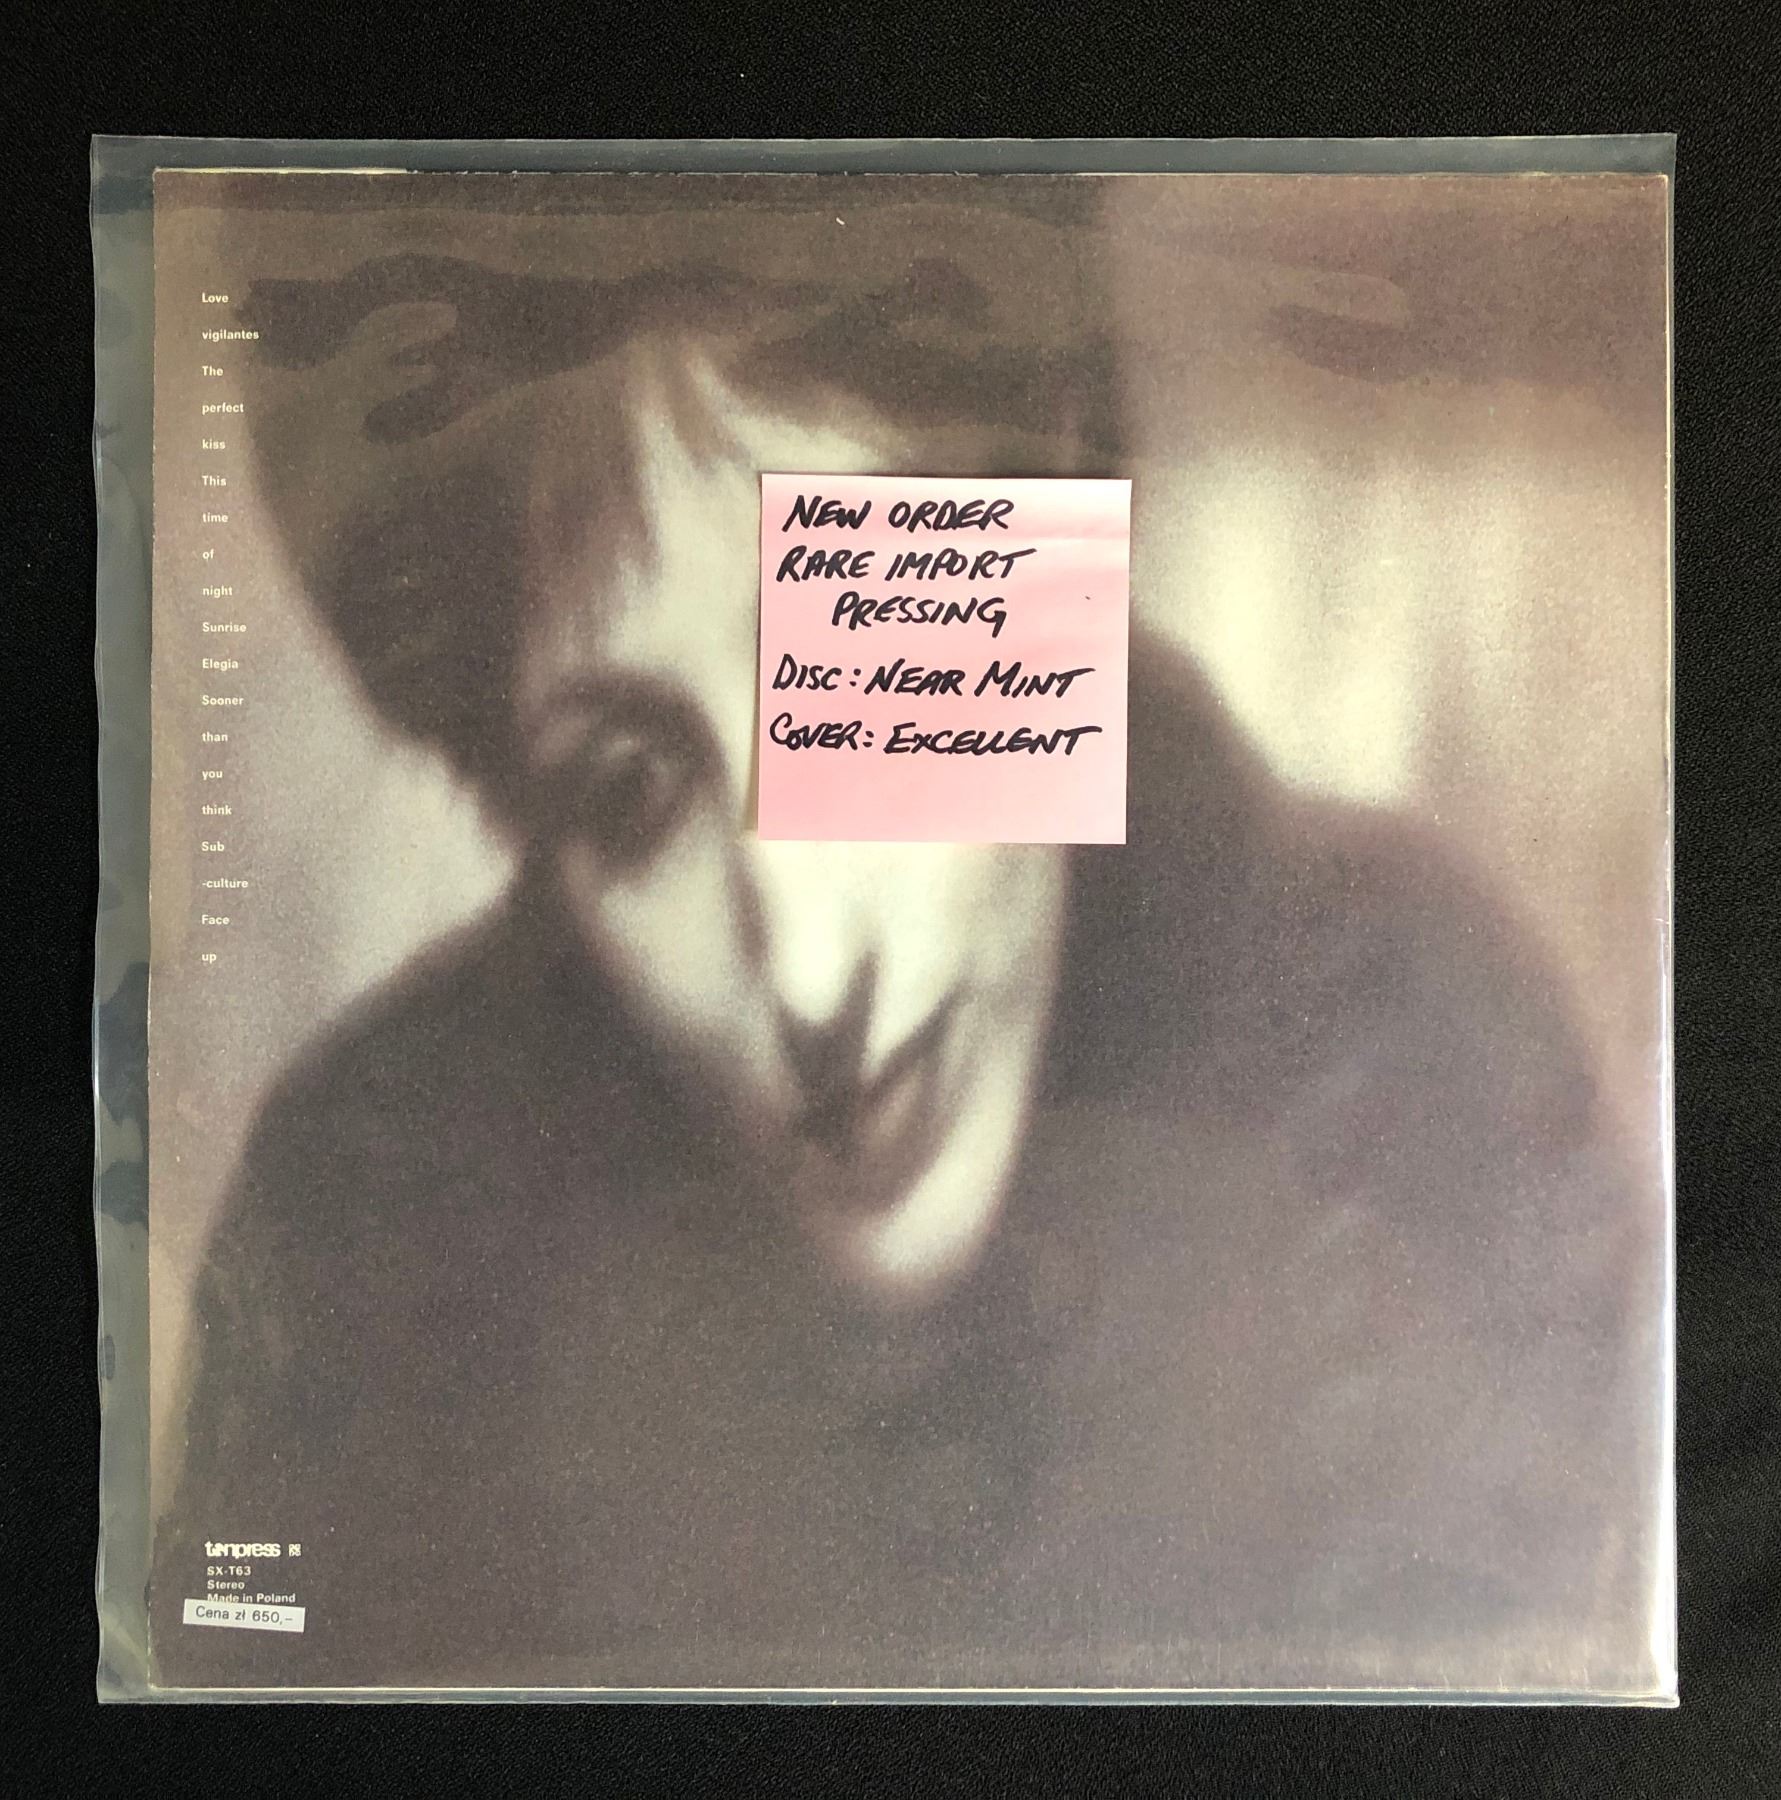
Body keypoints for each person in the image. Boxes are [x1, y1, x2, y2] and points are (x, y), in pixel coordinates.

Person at [152, 182, 1661, 1694]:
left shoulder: (1428, 1060)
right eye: (629, 797)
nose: (813, 975)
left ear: (1066, 499)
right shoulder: (360, 1249)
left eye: (879, 659)